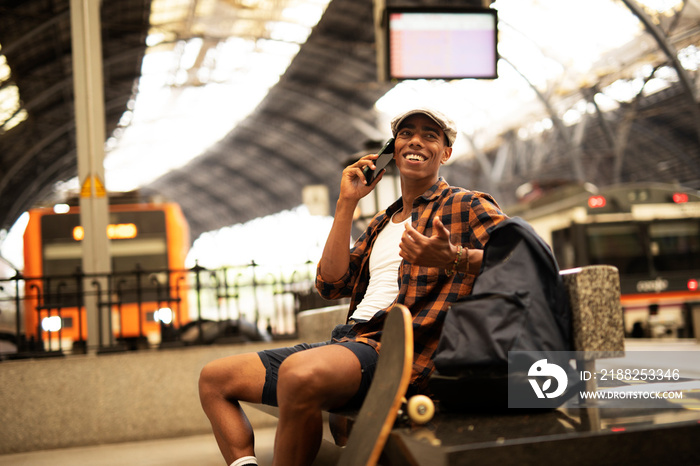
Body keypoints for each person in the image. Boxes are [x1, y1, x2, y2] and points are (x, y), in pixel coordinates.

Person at [198, 108, 508, 466]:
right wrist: (346, 203)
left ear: (445, 153)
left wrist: (454, 257)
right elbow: (330, 284)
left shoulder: (466, 204)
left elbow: (522, 257)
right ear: (393, 148)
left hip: (396, 350)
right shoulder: (381, 223)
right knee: (214, 379)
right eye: (407, 133)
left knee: (298, 375)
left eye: (430, 135)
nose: (416, 141)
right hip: (349, 342)